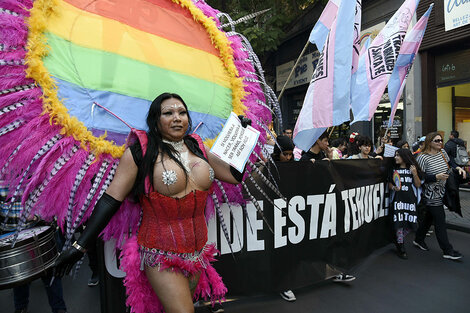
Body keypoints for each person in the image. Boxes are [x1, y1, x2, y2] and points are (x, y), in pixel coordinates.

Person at [53, 93, 246, 313]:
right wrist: (80, 246)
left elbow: (233, 176)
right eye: (168, 113)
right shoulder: (139, 153)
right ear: (155, 120)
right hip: (160, 254)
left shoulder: (198, 148)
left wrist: (241, 138)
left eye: (182, 113)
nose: (177, 118)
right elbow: (110, 199)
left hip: (198, 253)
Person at [413, 132, 467, 260]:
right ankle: (447, 250)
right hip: (430, 194)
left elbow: (450, 164)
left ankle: (418, 239)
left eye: (441, 140)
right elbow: (420, 177)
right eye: (436, 141)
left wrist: (458, 168)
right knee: (440, 220)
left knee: (429, 218)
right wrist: (435, 177)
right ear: (430, 142)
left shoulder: (443, 153)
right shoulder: (422, 157)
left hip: (443, 190)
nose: (440, 143)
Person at [389, 149, 422, 259]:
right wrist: (394, 187)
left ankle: (398, 239)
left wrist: (415, 174)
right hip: (398, 201)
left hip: (410, 202)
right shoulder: (394, 169)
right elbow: (390, 183)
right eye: (395, 155)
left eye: (398, 155)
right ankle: (401, 246)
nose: (396, 157)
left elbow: (417, 185)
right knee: (399, 223)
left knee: (411, 223)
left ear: (404, 156)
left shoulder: (412, 169)